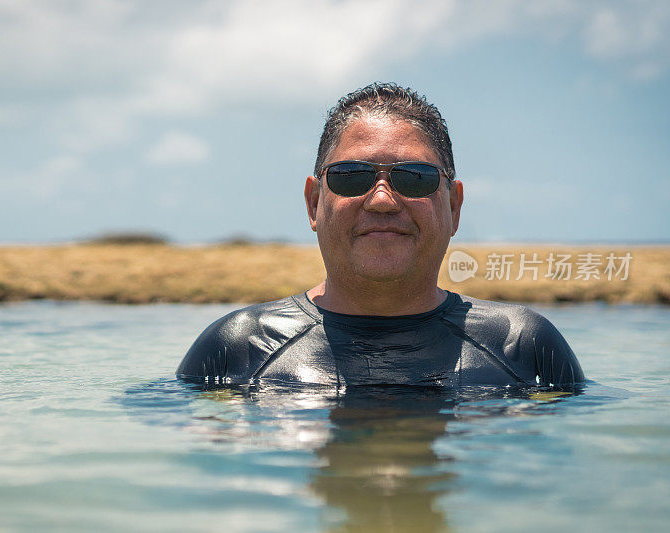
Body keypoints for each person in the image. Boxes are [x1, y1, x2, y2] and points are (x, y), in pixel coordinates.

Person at [177, 82, 584, 388]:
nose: (383, 200)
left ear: (454, 206)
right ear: (313, 202)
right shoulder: (237, 348)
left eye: (414, 177)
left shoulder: (524, 346)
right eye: (352, 176)